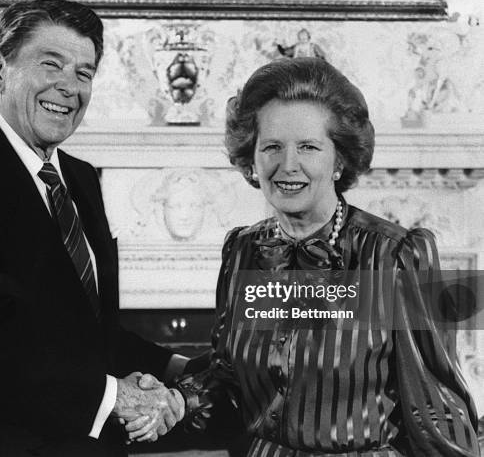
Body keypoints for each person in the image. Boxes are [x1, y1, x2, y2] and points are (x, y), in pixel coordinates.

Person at [131, 58, 480, 456]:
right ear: (252, 158)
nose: (287, 165)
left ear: (340, 159)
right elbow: (230, 381)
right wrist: (180, 402)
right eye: (272, 147)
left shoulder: (400, 255)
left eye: (309, 147)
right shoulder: (242, 250)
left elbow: (435, 408)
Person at [0, 0, 186, 457]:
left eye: (84, 73)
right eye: (52, 64)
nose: (69, 87)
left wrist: (178, 369)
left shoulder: (82, 178)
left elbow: (91, 333)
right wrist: (115, 396)